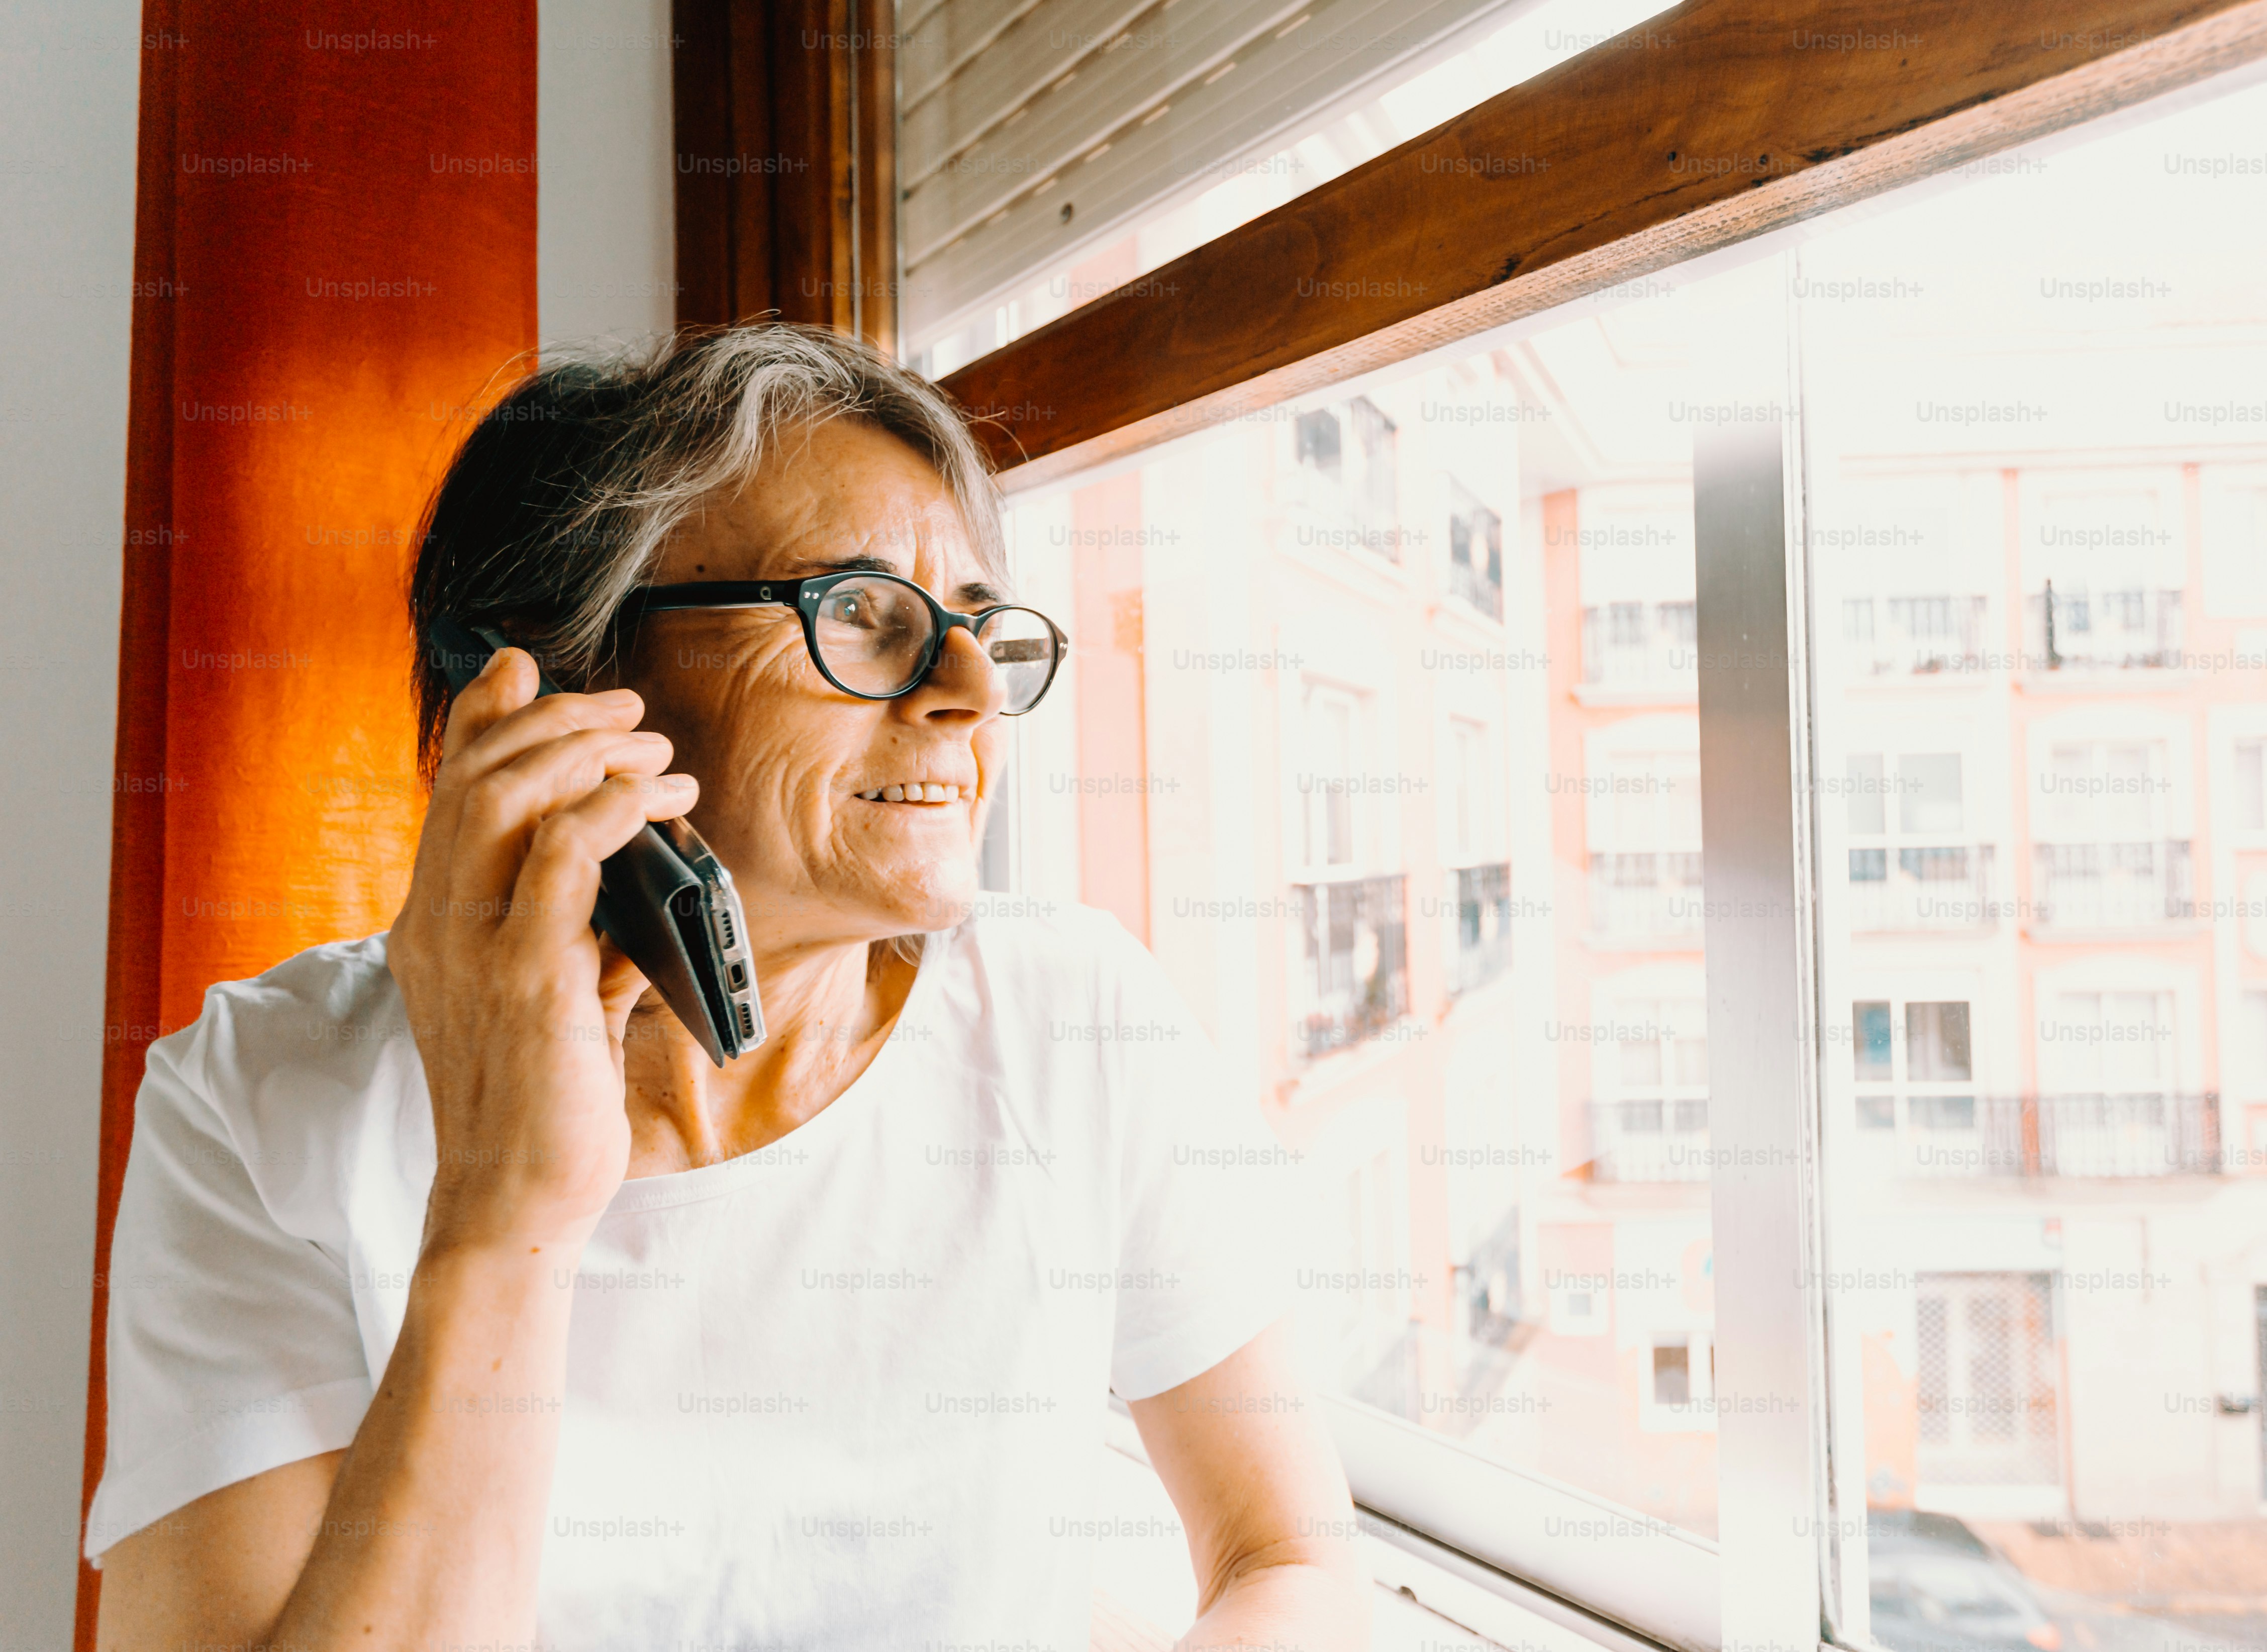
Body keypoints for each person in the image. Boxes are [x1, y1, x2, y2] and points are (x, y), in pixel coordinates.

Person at [88, 326, 1367, 1650]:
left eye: (984, 629)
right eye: (863, 614)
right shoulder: (256, 1100)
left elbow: (1293, 1563)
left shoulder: (1070, 1011)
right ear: (551, 686)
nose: (972, 692)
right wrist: (502, 1213)